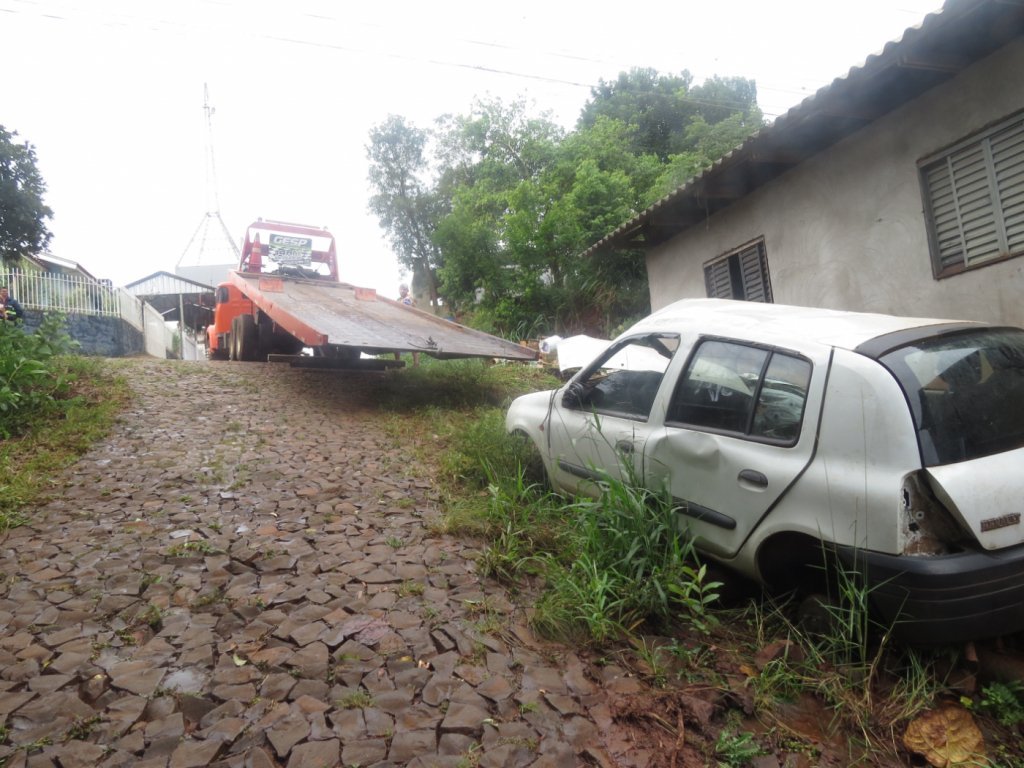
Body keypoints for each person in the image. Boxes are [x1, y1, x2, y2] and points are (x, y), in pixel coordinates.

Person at [395, 283, 419, 366]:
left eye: (404, 289)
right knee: (396, 343)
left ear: (407, 290)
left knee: (412, 344)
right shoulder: (398, 300)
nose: (402, 290)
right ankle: (397, 363)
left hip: (409, 324)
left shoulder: (408, 299)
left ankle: (416, 363)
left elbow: (405, 308)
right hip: (400, 324)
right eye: (401, 289)